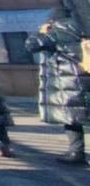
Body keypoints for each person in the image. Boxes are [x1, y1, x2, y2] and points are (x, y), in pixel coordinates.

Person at [26, 9, 90, 165]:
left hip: (70, 81)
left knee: (72, 118)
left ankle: (76, 152)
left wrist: (40, 32)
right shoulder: (84, 27)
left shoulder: (56, 31)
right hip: (86, 74)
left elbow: (32, 45)